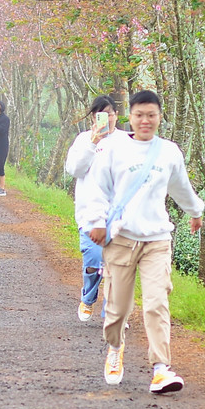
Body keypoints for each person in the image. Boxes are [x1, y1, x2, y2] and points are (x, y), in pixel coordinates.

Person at [81, 90, 203, 394]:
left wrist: (196, 211)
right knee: (118, 309)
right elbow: (98, 188)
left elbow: (181, 187)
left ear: (160, 117)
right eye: (139, 115)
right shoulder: (113, 149)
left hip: (157, 240)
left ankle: (161, 368)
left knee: (156, 303)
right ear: (130, 118)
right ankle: (114, 348)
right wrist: (96, 222)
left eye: (151, 115)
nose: (145, 120)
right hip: (121, 239)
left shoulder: (169, 152)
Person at [64, 96, 129, 322]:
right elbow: (75, 169)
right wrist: (93, 142)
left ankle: (113, 313)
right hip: (90, 213)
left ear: (116, 116)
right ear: (93, 117)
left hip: (119, 216)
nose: (106, 119)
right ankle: (88, 297)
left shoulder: (127, 141)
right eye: (100, 115)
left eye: (109, 114)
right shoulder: (83, 140)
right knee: (93, 259)